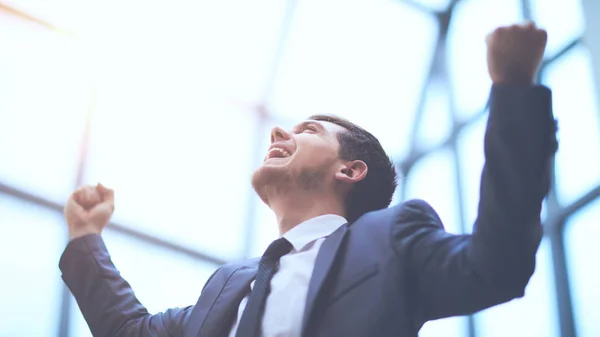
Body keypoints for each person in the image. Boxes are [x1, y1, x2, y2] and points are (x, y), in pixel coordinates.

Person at [60, 22, 558, 337]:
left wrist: (514, 91)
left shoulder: (390, 239)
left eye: (309, 130)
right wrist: (86, 236)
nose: (278, 131)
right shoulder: (227, 286)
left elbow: (496, 267)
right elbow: (129, 331)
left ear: (349, 170)